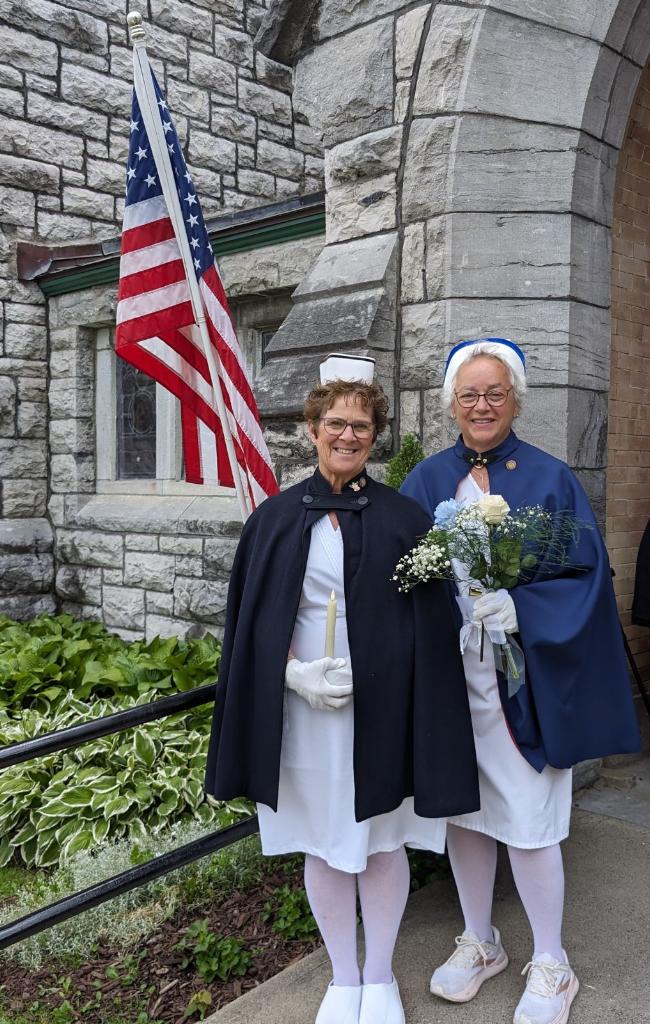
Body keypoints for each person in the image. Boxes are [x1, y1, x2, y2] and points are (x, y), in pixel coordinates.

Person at [205, 354, 479, 1024]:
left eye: (360, 425)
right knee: (324, 844)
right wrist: (290, 671)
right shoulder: (273, 519)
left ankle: (379, 977)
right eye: (335, 422)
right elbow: (250, 622)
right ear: (313, 428)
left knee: (380, 842)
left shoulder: (405, 519)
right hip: (306, 713)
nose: (347, 435)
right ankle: (343, 977)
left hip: (380, 711)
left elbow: (432, 625)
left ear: (375, 434)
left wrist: (384, 668)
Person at [401, 338, 640, 1024]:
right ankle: (481, 941)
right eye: (469, 394)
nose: (482, 406)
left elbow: (587, 579)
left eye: (495, 393)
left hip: (521, 684)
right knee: (465, 815)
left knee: (531, 823)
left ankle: (553, 963)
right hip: (452, 682)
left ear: (516, 401)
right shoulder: (425, 480)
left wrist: (522, 610)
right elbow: (399, 575)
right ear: (451, 403)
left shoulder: (550, 477)